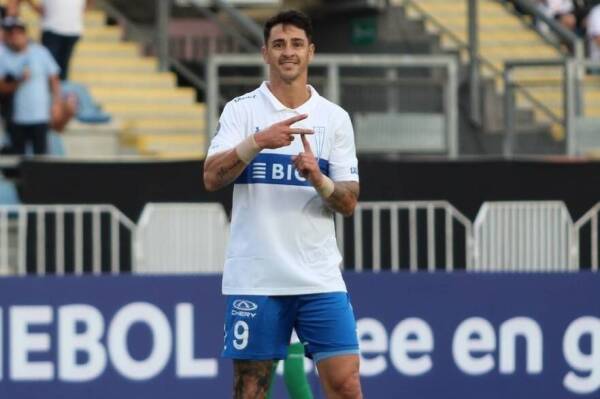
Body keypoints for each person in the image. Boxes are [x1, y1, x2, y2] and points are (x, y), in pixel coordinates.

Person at [203, 9, 363, 399]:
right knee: (251, 391)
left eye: (295, 44)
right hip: (257, 278)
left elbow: (348, 202)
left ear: (310, 52)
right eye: (278, 45)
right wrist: (256, 142)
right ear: (265, 53)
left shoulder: (334, 119)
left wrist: (318, 179)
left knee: (345, 385)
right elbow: (211, 177)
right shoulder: (242, 111)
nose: (287, 52)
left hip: (318, 278)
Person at [0, 16, 61, 155]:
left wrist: (56, 104)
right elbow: (2, 87)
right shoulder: (4, 57)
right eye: (11, 33)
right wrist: (19, 81)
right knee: (18, 159)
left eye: (18, 32)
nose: (15, 36)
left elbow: (54, 79)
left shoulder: (40, 52)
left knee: (41, 157)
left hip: (40, 116)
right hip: (16, 117)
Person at [13, 0, 92, 81]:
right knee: (50, 67)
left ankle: (57, 89)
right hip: (54, 29)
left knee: (59, 67)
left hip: (70, 30)